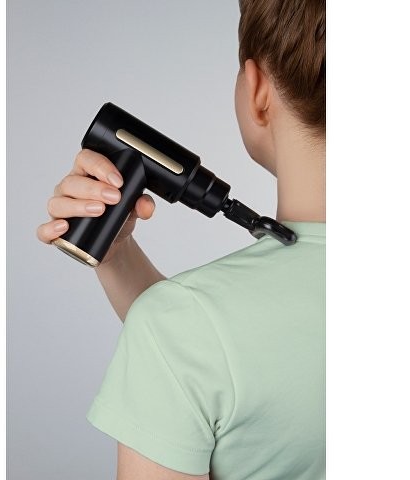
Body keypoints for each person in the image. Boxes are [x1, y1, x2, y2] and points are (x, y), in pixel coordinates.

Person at [37, 0, 325, 478]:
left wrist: (165, 324)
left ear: (257, 90)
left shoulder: (181, 330)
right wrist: (118, 256)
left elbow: (203, 350)